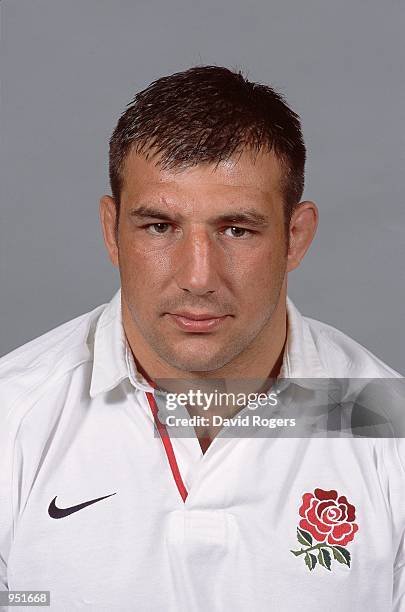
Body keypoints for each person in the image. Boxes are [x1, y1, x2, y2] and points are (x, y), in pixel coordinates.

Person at [0, 65, 403, 611]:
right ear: (111, 231)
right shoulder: (12, 418)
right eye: (159, 226)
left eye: (236, 229)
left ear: (295, 237)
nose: (198, 276)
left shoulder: (389, 426)